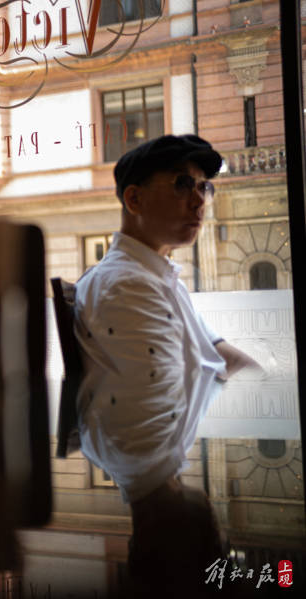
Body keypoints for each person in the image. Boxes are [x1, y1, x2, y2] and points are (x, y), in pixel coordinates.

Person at [72, 135, 261, 595]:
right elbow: (196, 373)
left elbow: (225, 359)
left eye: (202, 187)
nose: (199, 200)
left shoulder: (150, 278)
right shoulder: (128, 285)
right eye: (183, 184)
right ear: (133, 200)